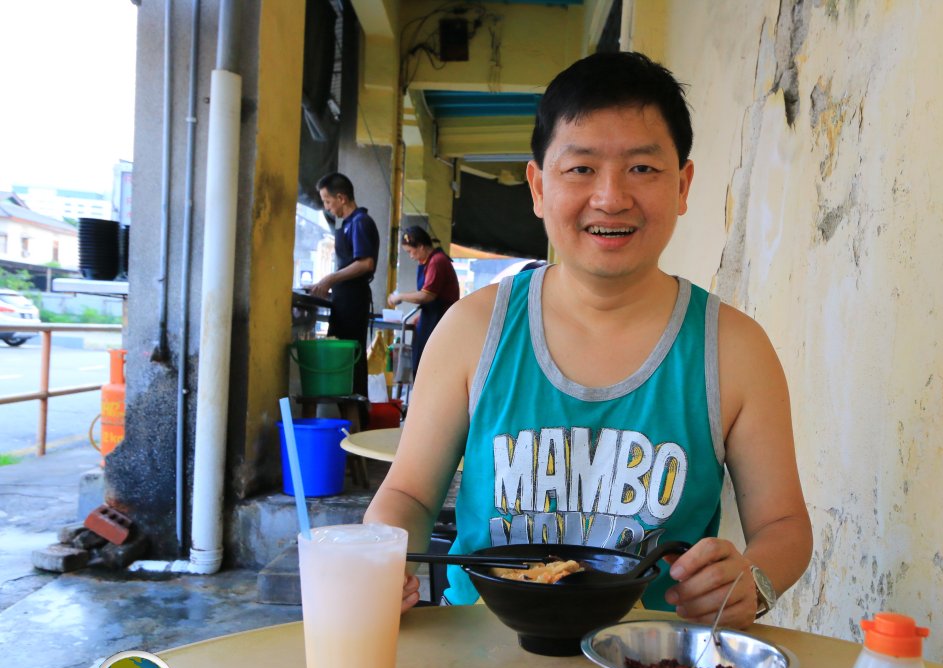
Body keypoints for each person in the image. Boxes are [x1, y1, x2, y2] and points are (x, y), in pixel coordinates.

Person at [365, 51, 812, 629]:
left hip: (654, 664)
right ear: (537, 186)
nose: (611, 197)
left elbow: (783, 527)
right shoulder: (472, 332)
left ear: (683, 185)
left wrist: (753, 578)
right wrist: (375, 556)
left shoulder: (734, 348)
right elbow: (411, 494)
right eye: (580, 169)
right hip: (482, 652)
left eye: (643, 169)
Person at [311, 172, 380, 398]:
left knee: (350, 361)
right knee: (342, 359)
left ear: (341, 198)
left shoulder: (360, 223)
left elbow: (365, 263)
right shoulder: (349, 224)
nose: (327, 208)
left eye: (327, 202)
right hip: (343, 300)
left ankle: (355, 418)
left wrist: (330, 279)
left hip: (353, 301)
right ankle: (345, 414)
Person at [386, 226, 461, 376]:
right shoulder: (427, 262)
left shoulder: (436, 262)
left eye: (410, 251)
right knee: (420, 362)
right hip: (431, 316)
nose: (411, 256)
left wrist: (400, 296)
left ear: (420, 246)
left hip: (440, 318)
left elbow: (427, 295)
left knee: (429, 365)